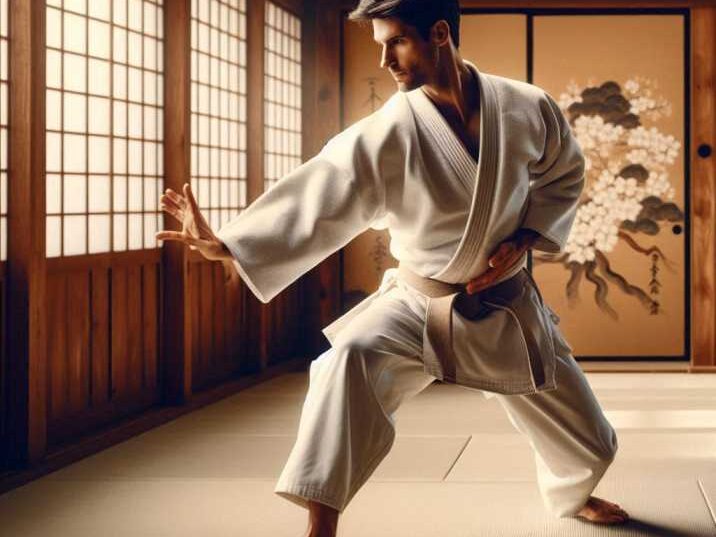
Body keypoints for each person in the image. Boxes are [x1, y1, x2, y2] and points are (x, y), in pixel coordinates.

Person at [157, 1, 630, 535]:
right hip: (418, 304)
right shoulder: (385, 134)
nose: (385, 60)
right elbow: (320, 191)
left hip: (505, 305)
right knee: (345, 362)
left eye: (397, 42)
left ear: (440, 33)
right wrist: (231, 244)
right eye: (378, 44)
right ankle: (321, 523)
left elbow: (564, 173)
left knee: (593, 443)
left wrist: (525, 238)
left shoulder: (526, 106)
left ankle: (575, 495)